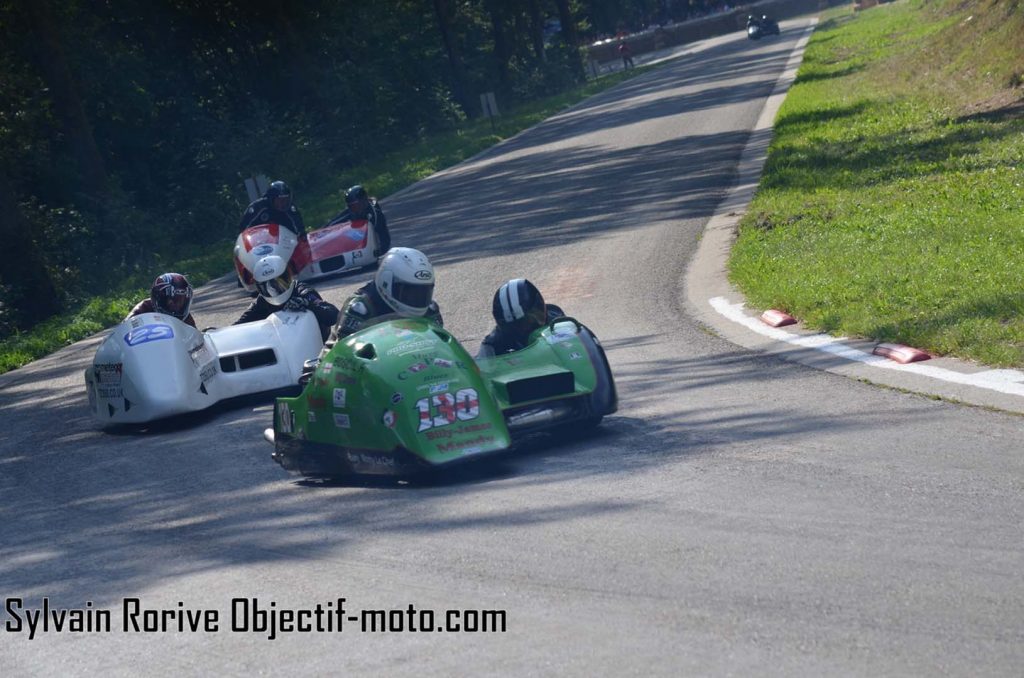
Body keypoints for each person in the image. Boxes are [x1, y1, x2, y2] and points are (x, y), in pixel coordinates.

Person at [329, 247, 442, 342]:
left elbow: (441, 343)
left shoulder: (430, 309)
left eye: (423, 293)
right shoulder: (360, 308)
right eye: (409, 293)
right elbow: (344, 353)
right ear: (386, 282)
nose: (417, 299)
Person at [233, 255, 339, 341]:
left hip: (316, 345)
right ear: (259, 287)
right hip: (284, 349)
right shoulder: (262, 301)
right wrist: (218, 334)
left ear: (288, 277)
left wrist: (309, 304)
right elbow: (239, 326)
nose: (273, 290)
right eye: (266, 287)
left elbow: (333, 315)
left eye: (279, 283)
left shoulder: (302, 291)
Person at [477, 278, 565, 358]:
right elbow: (482, 368)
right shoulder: (492, 343)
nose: (523, 329)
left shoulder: (558, 320)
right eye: (512, 326)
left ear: (539, 308)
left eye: (526, 322)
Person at [326, 184, 391, 256]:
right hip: (356, 242)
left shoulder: (376, 215)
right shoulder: (351, 211)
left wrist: (380, 252)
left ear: (364, 201)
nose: (354, 210)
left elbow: (385, 237)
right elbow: (333, 222)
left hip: (371, 247)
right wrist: (324, 232)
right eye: (351, 206)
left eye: (356, 206)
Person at [127, 273, 197, 328]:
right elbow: (124, 328)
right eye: (170, 299)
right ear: (159, 298)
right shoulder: (143, 308)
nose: (175, 305)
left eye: (180, 300)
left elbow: (195, 340)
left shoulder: (185, 317)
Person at [238, 180, 306, 237]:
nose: (283, 204)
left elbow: (300, 231)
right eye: (279, 201)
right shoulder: (258, 207)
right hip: (259, 244)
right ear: (271, 199)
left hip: (285, 243)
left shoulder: (290, 209)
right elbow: (243, 231)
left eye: (285, 200)